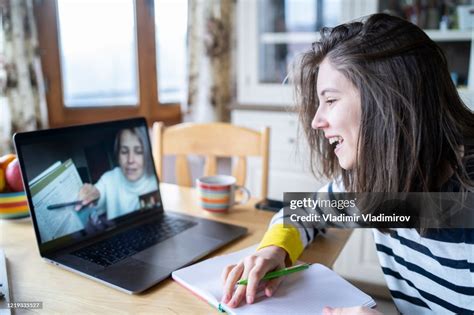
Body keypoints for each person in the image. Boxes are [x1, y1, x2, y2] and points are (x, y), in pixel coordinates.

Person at [221, 13, 474, 314]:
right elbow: (303, 210)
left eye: (330, 100)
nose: (316, 121)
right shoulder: (389, 187)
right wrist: (273, 250)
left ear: (387, 100)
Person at [76, 127, 158, 220]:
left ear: (147, 154)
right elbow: (97, 193)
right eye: (124, 151)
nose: (130, 160)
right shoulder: (109, 179)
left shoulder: (155, 182)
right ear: (117, 155)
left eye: (138, 151)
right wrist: (91, 194)